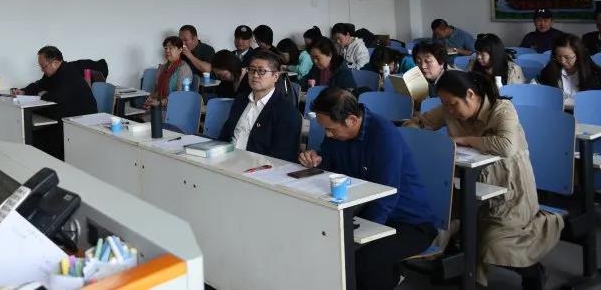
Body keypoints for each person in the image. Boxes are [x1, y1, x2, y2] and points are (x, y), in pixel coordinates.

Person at [408, 70, 561, 288]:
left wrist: (465, 140)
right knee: (442, 220)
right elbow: (417, 124)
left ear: (470, 95)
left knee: (493, 245)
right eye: (445, 104)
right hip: (468, 186)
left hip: (510, 191)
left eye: (452, 104)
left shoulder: (502, 109)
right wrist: (418, 134)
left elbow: (506, 146)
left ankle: (532, 270)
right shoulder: (450, 109)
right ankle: (464, 272)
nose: (448, 110)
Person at [299, 88, 437, 290]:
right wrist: (318, 159)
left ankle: (388, 278)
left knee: (361, 259)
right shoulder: (338, 131)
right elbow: (329, 157)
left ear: (352, 120)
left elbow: (386, 196)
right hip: (363, 210)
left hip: (408, 222)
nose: (328, 134)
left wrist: (364, 236)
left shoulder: (383, 136)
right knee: (317, 241)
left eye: (331, 129)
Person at [13, 45, 98, 160]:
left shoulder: (69, 72)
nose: (42, 70)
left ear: (55, 62)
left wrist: (42, 94)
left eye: (43, 66)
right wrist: (23, 91)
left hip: (80, 121)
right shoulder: (52, 73)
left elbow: (56, 97)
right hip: (65, 115)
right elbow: (39, 85)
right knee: (35, 134)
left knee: (40, 139)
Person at [217, 50, 302, 161]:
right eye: (251, 70)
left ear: (275, 76)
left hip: (256, 166)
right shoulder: (240, 100)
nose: (255, 75)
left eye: (261, 71)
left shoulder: (287, 112)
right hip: (227, 159)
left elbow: (282, 157)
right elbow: (224, 136)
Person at [538, 33, 601, 109]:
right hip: (558, 111)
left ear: (579, 55)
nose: (562, 61)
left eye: (567, 57)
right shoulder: (549, 70)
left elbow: (595, 102)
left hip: (586, 111)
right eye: (558, 56)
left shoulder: (595, 74)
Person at [144, 36, 192, 109]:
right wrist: (150, 100)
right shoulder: (162, 67)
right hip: (159, 105)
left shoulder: (184, 69)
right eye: (166, 48)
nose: (167, 51)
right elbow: (157, 90)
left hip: (175, 108)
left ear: (180, 50)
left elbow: (180, 95)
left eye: (171, 48)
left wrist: (160, 103)